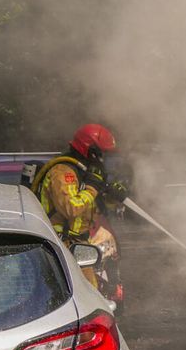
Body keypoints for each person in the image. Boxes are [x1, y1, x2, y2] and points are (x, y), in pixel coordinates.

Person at [32, 123, 127, 288]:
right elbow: (71, 208)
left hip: (79, 244)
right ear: (90, 150)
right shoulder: (63, 171)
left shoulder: (84, 172)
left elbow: (94, 207)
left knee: (90, 290)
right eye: (103, 153)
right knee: (82, 292)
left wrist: (113, 197)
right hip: (60, 244)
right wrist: (93, 187)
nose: (104, 159)